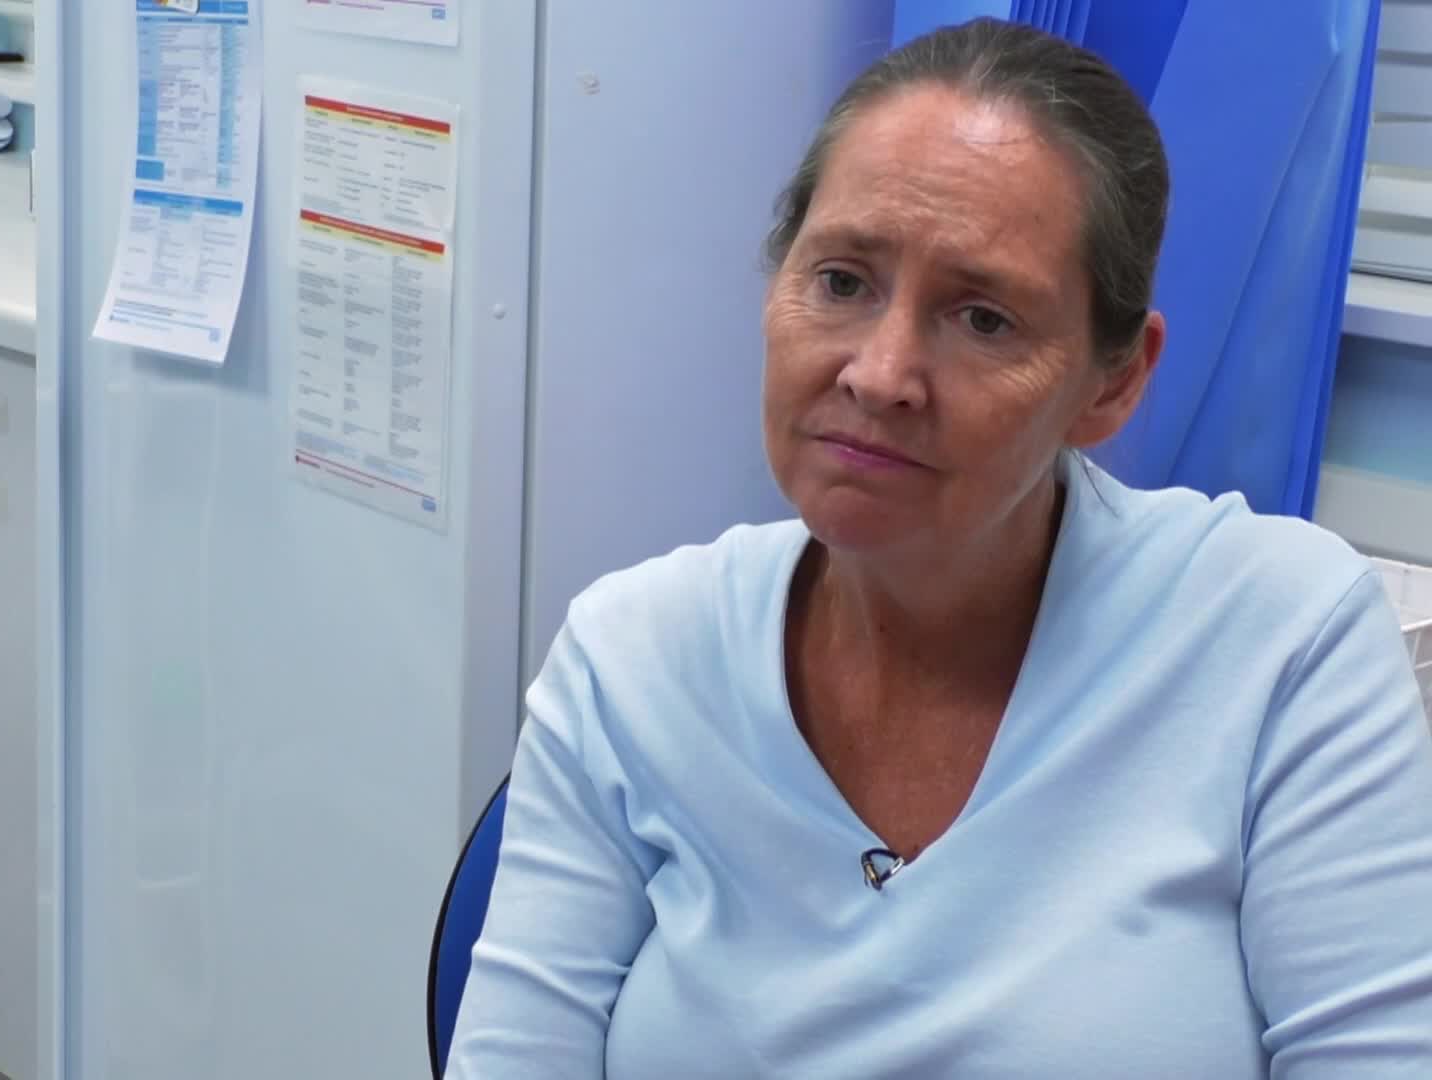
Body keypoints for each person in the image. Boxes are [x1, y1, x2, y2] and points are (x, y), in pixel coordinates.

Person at [444, 18, 1432, 1079]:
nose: (879, 375)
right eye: (842, 281)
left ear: (1114, 382)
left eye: (983, 318)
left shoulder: (1280, 641)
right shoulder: (631, 658)